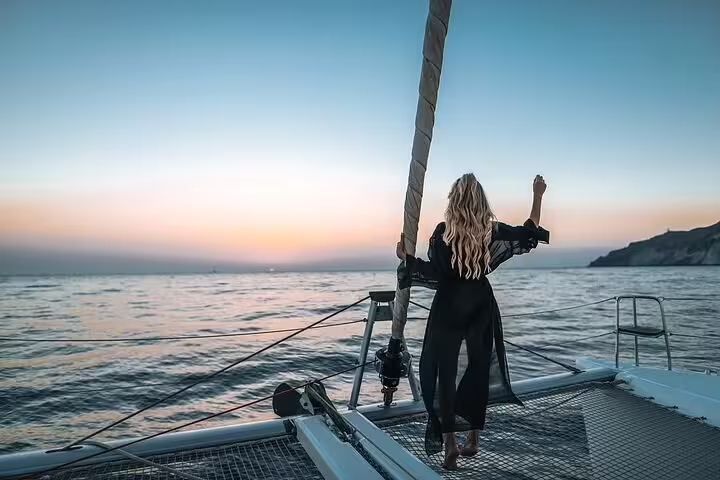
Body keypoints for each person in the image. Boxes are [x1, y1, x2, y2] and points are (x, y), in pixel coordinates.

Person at [394, 173, 549, 470]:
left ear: (453, 201)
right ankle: (474, 438)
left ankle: (450, 443)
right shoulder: (491, 232)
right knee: (477, 366)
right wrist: (538, 194)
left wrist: (406, 259)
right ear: (481, 201)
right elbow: (529, 233)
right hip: (480, 303)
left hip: (449, 306)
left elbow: (435, 274)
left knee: (443, 370)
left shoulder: (443, 234)